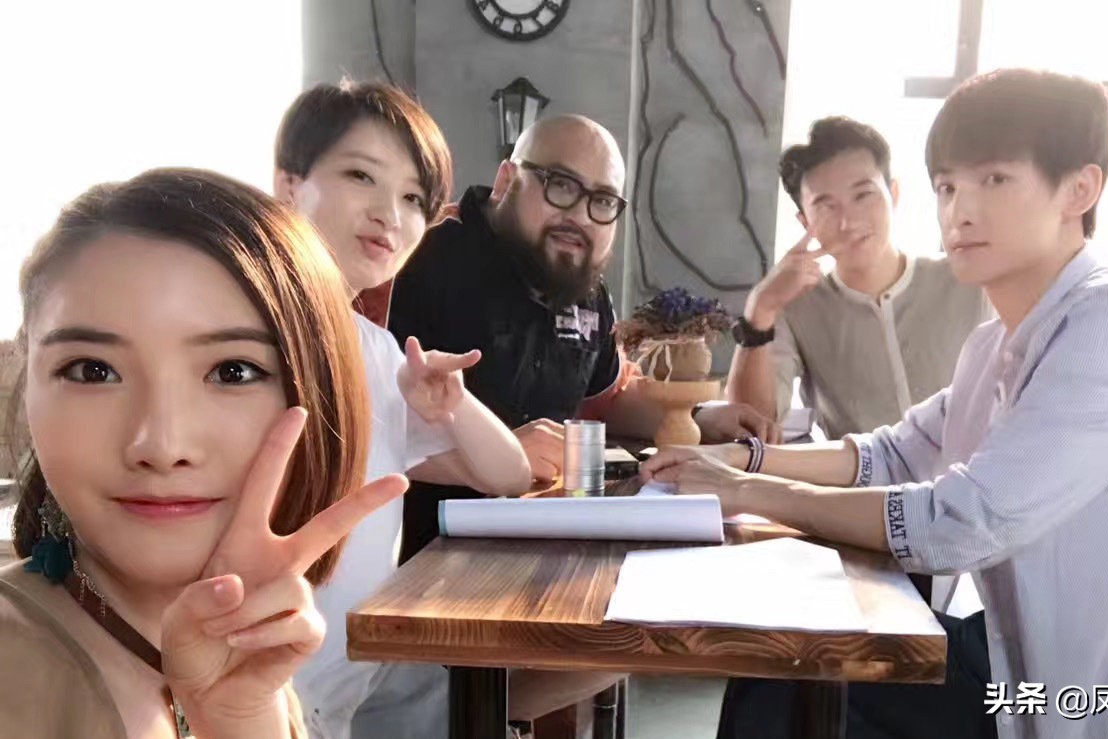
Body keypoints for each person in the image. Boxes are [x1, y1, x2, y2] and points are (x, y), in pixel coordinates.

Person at [643, 69, 1108, 739]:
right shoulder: (994, 345)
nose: (959, 212)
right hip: (1034, 667)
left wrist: (746, 491)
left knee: (796, 680)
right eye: (947, 186)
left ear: (1079, 190)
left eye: (994, 179)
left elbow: (963, 520)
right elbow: (892, 453)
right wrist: (738, 460)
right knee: (785, 662)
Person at [0, 167, 410, 738]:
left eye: (232, 371)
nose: (161, 446)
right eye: (92, 371)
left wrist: (241, 720)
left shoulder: (257, 657)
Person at [270, 80, 544, 738]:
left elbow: (506, 473)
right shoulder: (247, 337)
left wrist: (454, 405)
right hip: (256, 694)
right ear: (289, 187)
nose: (389, 214)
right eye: (361, 175)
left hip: (350, 683)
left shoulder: (378, 349)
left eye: (414, 198)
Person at [387, 113, 779, 563]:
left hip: (542, 540)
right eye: (561, 186)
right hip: (417, 556)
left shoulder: (585, 290)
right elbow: (351, 428)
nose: (579, 216)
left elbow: (608, 398)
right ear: (506, 180)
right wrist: (495, 453)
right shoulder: (413, 257)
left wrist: (699, 417)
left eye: (603, 200)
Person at [726, 116, 987, 441]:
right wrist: (760, 310)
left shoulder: (969, 278)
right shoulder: (796, 309)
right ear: (804, 220)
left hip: (983, 470)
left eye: (863, 195)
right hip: (860, 474)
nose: (848, 222)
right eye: (826, 207)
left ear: (893, 194)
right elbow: (751, 425)